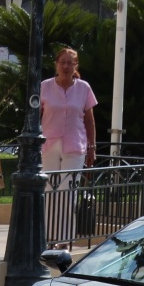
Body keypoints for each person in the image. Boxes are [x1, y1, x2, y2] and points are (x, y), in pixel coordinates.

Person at [41, 47, 98, 245]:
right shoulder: (45, 87)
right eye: (62, 62)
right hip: (49, 143)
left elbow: (89, 120)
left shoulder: (84, 88)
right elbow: (36, 115)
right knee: (49, 190)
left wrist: (92, 147)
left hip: (75, 144)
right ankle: (49, 236)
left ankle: (65, 239)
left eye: (70, 62)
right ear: (56, 64)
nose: (66, 66)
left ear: (75, 66)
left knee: (68, 192)